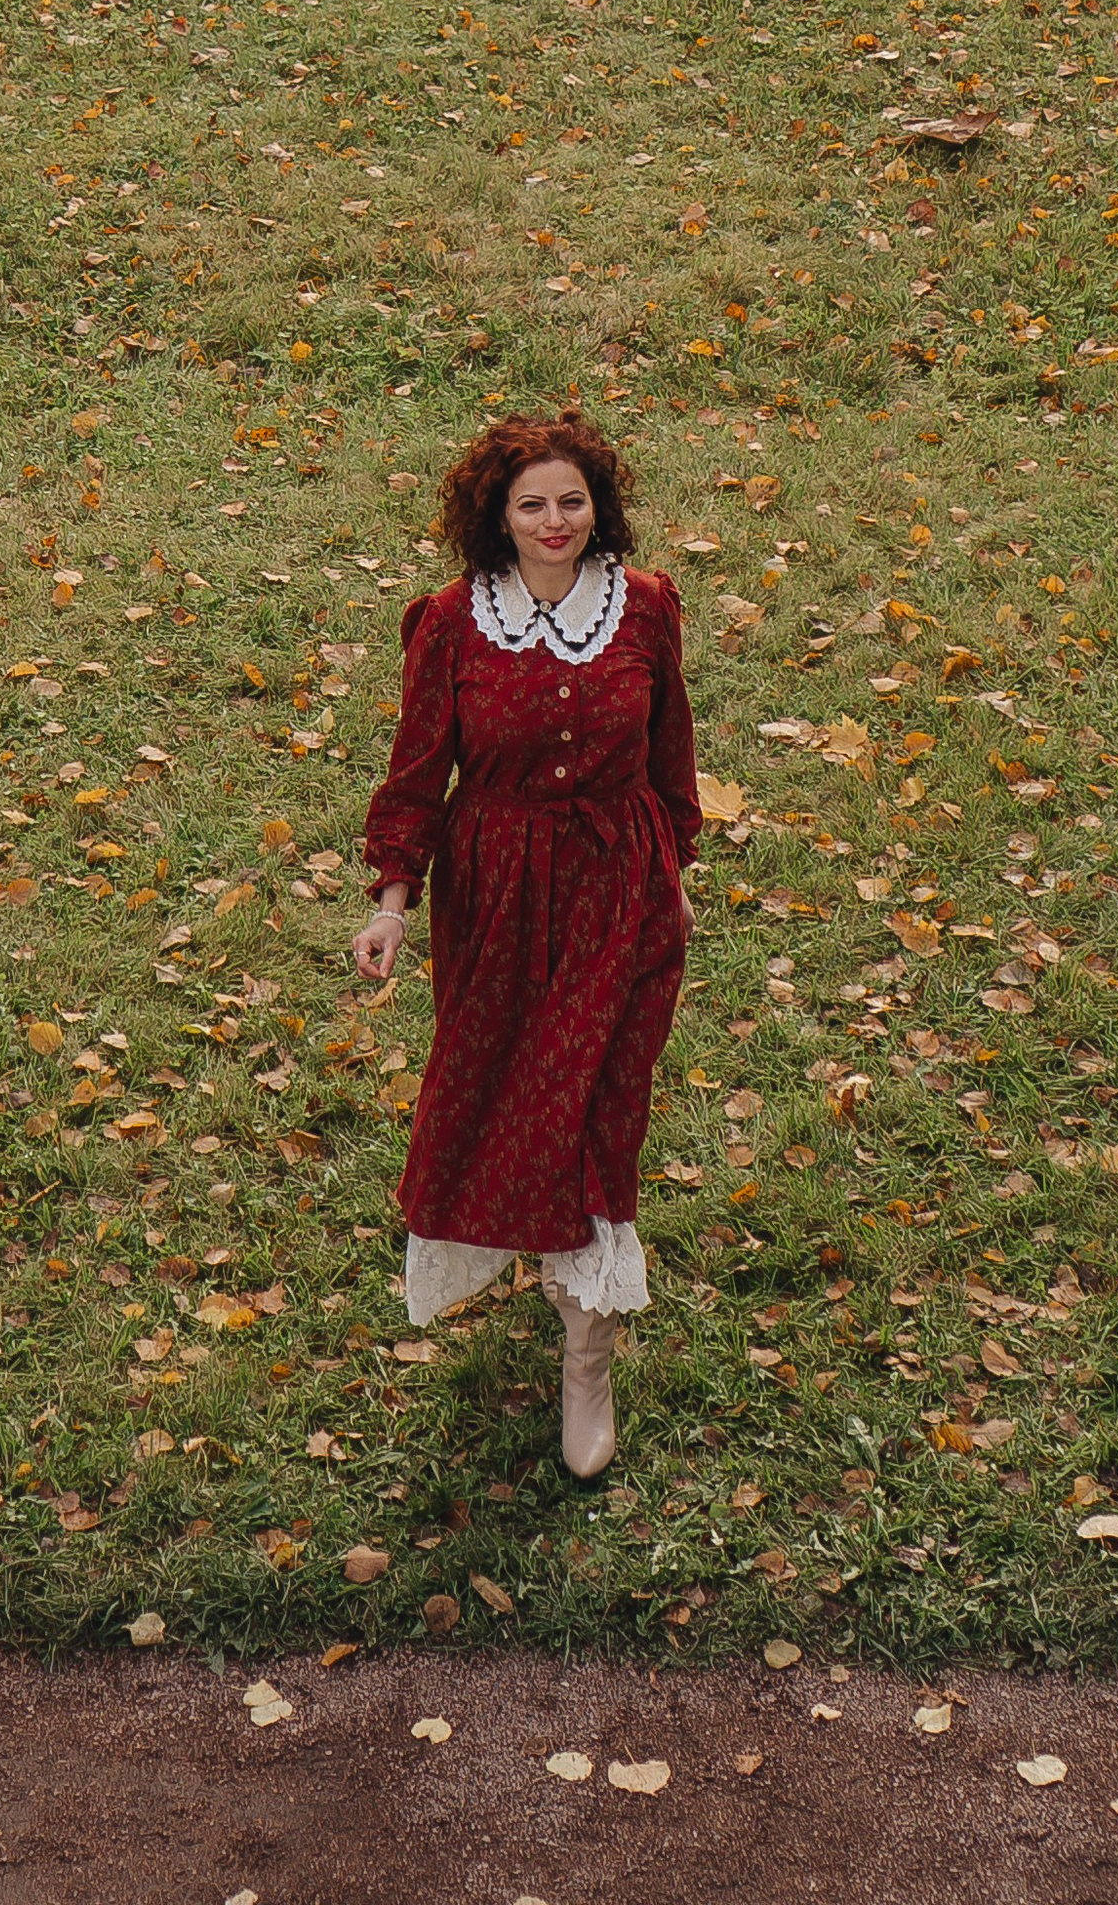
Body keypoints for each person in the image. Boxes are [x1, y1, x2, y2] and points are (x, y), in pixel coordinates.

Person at [354, 414, 700, 1479]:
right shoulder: (453, 624)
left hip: (618, 888)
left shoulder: (645, 608)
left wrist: (677, 881)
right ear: (496, 518)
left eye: (572, 501)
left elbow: (671, 755)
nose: (555, 522)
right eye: (531, 505)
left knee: (597, 1105)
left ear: (600, 508)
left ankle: (586, 1359)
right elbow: (419, 772)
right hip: (495, 898)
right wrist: (392, 902)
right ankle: (534, 1256)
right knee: (498, 1091)